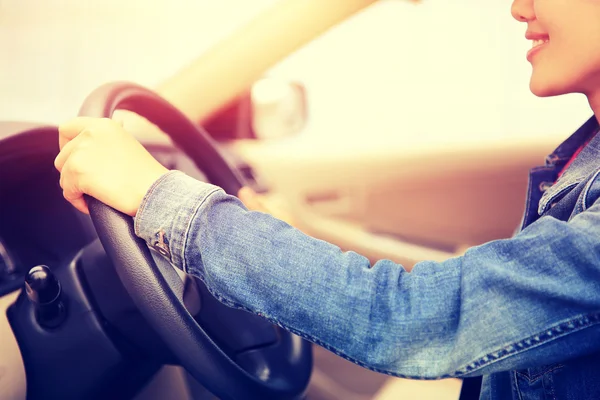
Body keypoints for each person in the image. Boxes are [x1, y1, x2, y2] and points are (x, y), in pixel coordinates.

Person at [54, 0, 600, 398]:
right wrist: (281, 244)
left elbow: (420, 320)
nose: (518, 7)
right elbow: (486, 296)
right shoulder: (585, 154)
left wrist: (158, 197)